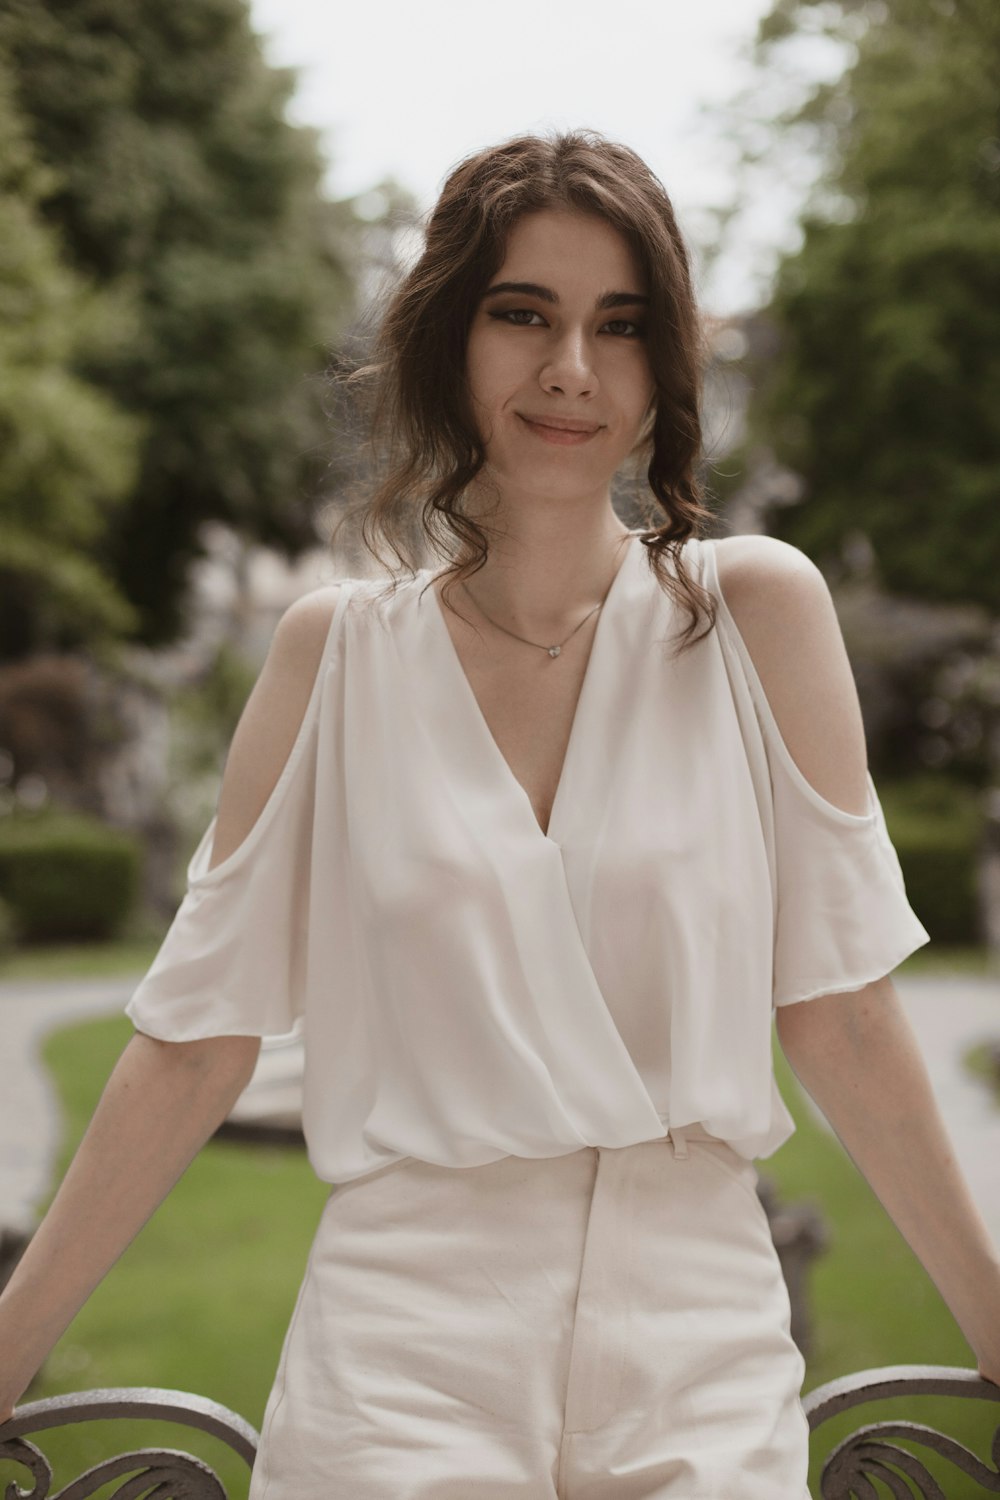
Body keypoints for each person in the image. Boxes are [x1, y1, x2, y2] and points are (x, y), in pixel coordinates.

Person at [1, 128, 998, 1498]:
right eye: (522, 312)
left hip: (698, 1350)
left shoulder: (759, 616)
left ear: (664, 370)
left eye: (620, 324)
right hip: (400, 1362)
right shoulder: (331, 655)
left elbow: (845, 1012)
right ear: (445, 341)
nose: (570, 367)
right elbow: (194, 1044)